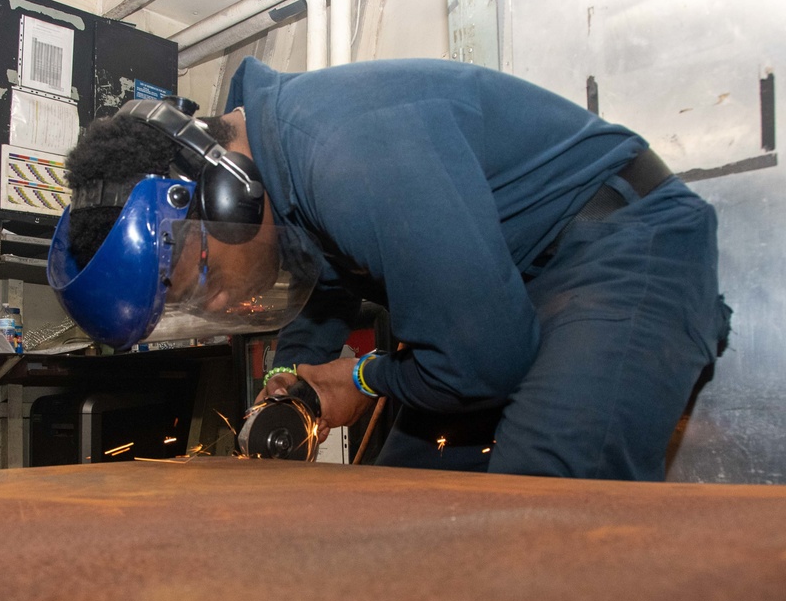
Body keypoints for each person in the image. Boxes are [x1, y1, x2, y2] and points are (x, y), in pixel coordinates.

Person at [60, 56, 731, 481]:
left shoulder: (345, 155)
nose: (227, 299)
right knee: (407, 497)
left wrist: (361, 378)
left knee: (539, 498)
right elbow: (320, 284)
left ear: (226, 188)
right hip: (503, 291)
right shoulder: (282, 166)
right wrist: (289, 378)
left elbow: (483, 364)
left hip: (626, 247)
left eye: (201, 275)